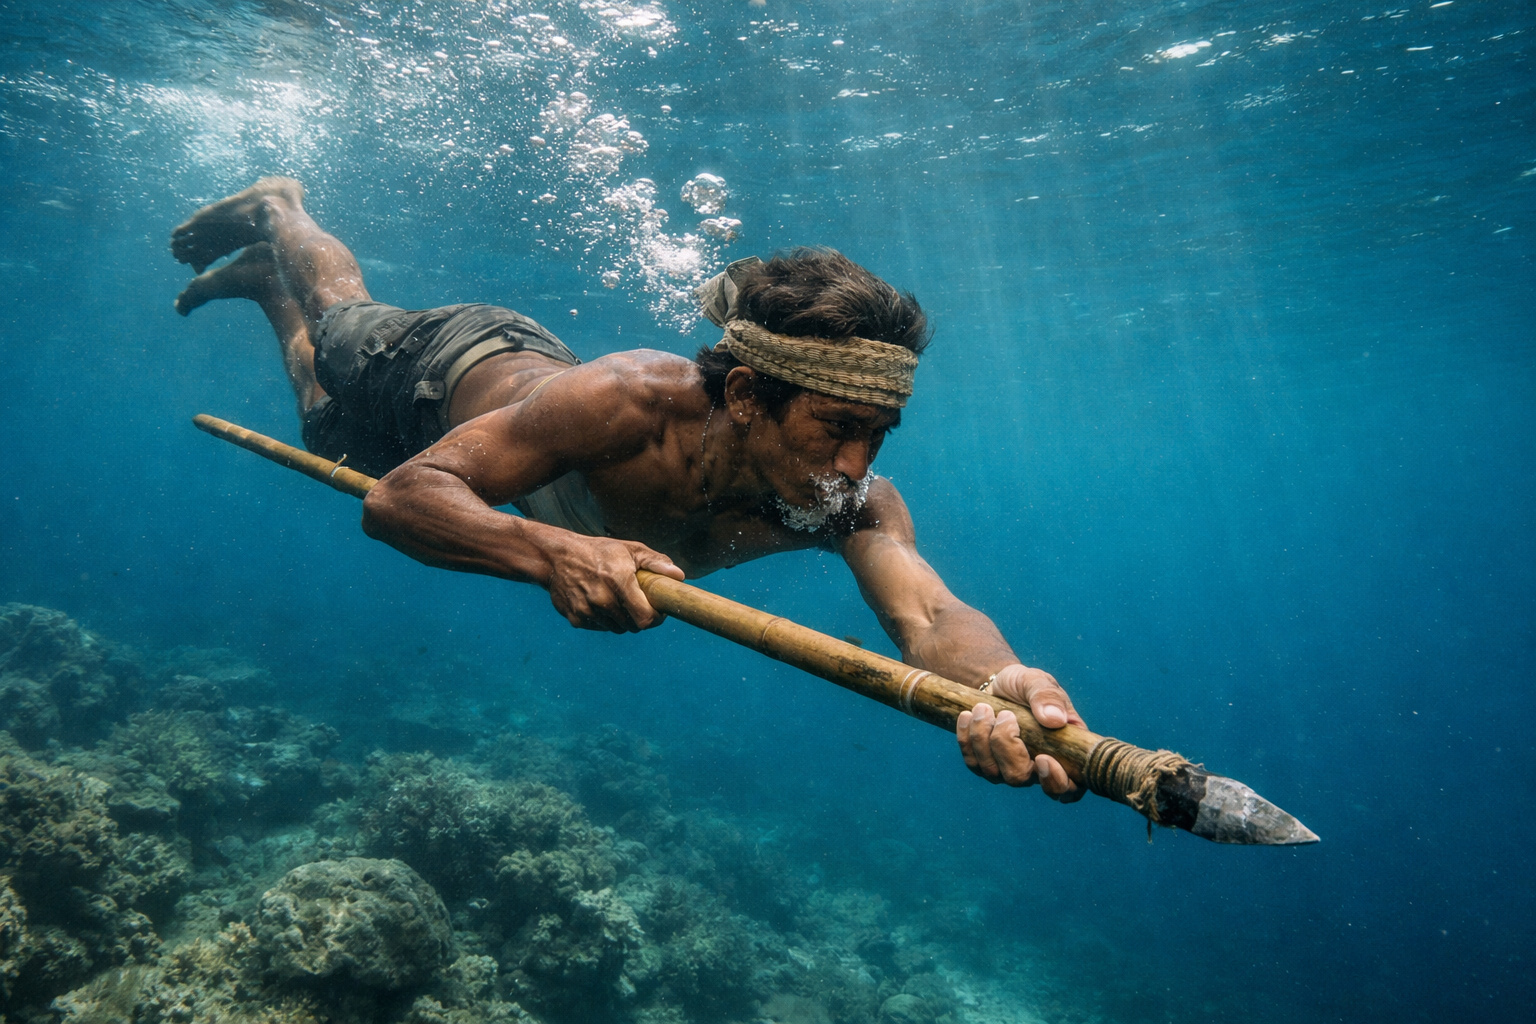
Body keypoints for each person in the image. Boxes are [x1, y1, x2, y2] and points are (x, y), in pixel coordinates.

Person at [171, 177, 1086, 801]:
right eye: (835, 429)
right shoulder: (629, 400)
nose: (856, 465)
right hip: (449, 363)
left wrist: (1000, 683)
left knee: (321, 428)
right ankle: (282, 212)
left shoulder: (850, 503)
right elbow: (401, 500)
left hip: (491, 457)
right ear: (744, 395)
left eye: (876, 435)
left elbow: (928, 620)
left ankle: (262, 289)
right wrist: (549, 552)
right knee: (337, 326)